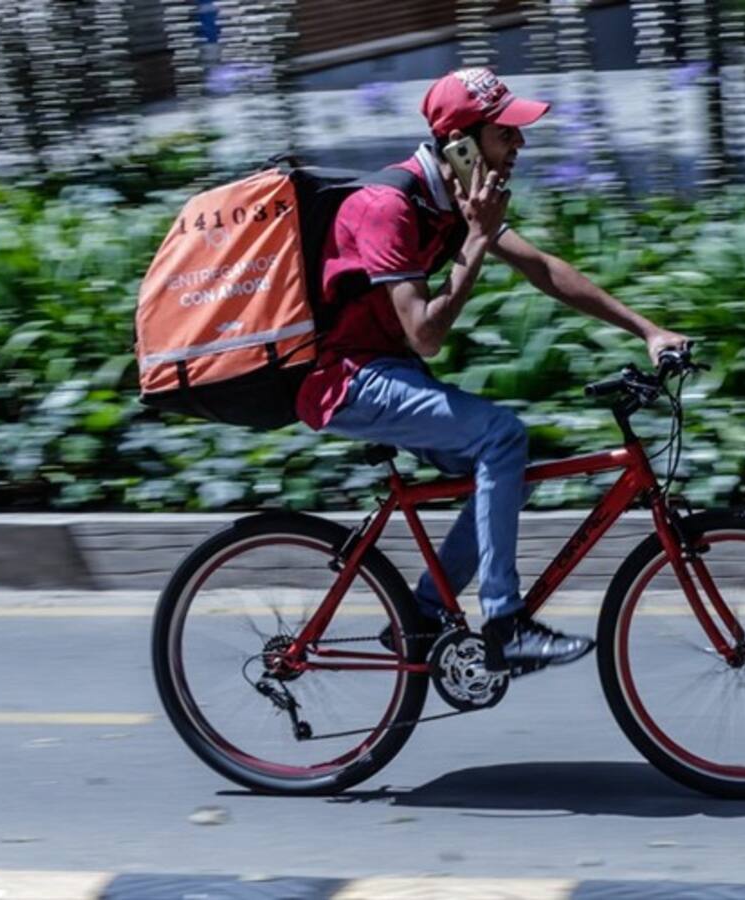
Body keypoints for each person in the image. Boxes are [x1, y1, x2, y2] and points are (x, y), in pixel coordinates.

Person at [295, 67, 689, 672]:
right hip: (347, 381)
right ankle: (504, 625)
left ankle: (426, 614)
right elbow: (425, 336)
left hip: (390, 374)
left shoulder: (452, 199)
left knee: (510, 466)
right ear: (460, 144)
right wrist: (476, 239)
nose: (520, 147)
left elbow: (543, 270)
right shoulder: (386, 208)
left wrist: (649, 330)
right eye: (508, 134)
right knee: (501, 436)